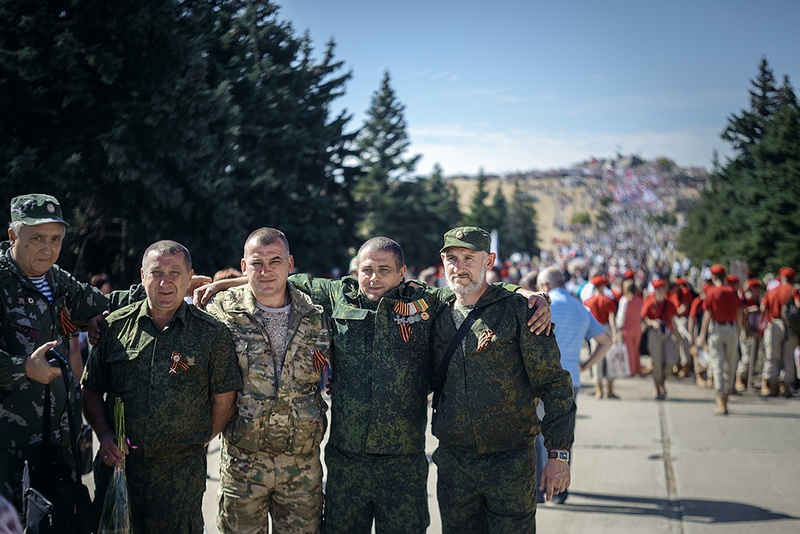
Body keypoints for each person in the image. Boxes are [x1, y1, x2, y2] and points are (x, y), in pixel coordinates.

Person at [194, 235, 552, 534]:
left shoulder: (425, 301)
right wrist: (221, 284)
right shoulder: (335, 295)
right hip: (348, 461)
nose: (375, 278)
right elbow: (274, 276)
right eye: (367, 270)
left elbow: (475, 289)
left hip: (404, 462)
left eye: (384, 270)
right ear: (356, 271)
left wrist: (527, 293)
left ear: (401, 273)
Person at [82, 240, 242, 533]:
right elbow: (91, 390)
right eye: (156, 272)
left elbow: (225, 400)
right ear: (142, 276)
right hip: (120, 472)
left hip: (179, 479)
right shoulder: (114, 328)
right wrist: (105, 435)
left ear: (189, 277)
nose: (165, 282)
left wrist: (199, 438)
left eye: (175, 273)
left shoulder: (212, 334)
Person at [430, 227, 575, 533]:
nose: (459, 267)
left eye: (469, 257)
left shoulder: (521, 313)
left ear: (489, 260)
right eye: (452, 258)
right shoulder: (435, 309)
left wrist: (558, 455)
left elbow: (555, 384)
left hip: (510, 464)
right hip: (455, 465)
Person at [204, 228, 332, 534]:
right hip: (243, 466)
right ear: (244, 266)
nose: (266, 270)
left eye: (275, 261)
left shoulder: (316, 314)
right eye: (256, 262)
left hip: (301, 469)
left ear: (290, 265)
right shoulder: (221, 310)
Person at [0, 194, 109, 514]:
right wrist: (23, 367)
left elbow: (104, 302)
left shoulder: (56, 279)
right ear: (12, 236)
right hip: (9, 450)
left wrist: (164, 287)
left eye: (56, 239)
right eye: (36, 238)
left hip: (60, 443)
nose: (48, 249)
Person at [534, 266, 611, 504]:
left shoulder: (541, 307)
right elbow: (606, 341)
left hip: (540, 380)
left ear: (545, 286)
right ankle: (559, 490)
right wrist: (586, 366)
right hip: (571, 380)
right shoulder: (581, 308)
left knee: (537, 437)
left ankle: (538, 490)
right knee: (563, 438)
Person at [695, 264, 743, 415]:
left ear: (713, 277)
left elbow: (707, 314)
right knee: (731, 364)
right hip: (731, 329)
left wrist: (702, 335)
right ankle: (726, 395)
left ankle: (721, 398)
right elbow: (740, 311)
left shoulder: (711, 292)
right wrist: (738, 329)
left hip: (716, 329)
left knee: (718, 365)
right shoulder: (733, 292)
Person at [759, 267, 797, 397]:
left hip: (774, 323)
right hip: (791, 326)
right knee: (788, 356)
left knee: (772, 357)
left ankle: (771, 385)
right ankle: (786, 387)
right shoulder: (794, 291)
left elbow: (763, 307)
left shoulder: (773, 291)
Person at [641, 279, 678, 399]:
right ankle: (656, 387)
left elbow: (672, 320)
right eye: (659, 290)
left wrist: (677, 336)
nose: (661, 292)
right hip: (654, 333)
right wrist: (652, 322)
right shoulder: (650, 302)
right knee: (656, 361)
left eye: (663, 289)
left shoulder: (669, 303)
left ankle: (662, 380)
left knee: (671, 360)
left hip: (667, 333)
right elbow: (643, 318)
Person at [583, 276, 620, 398]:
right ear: (603, 286)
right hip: (606, 329)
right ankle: (610, 390)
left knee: (596, 360)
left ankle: (598, 390)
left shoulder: (588, 301)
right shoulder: (608, 301)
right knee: (610, 360)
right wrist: (615, 333)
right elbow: (611, 318)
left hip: (594, 331)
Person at [736, 278, 762, 392]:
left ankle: (748, 379)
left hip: (755, 332)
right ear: (752, 289)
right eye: (757, 288)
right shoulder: (744, 300)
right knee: (746, 357)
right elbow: (739, 313)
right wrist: (749, 310)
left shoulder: (757, 301)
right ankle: (739, 378)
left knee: (754, 357)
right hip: (745, 331)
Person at [616, 278, 644, 377]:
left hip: (627, 330)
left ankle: (631, 371)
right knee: (636, 350)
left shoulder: (624, 301)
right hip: (637, 328)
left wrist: (618, 326)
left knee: (629, 352)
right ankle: (638, 369)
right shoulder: (639, 300)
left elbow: (621, 317)